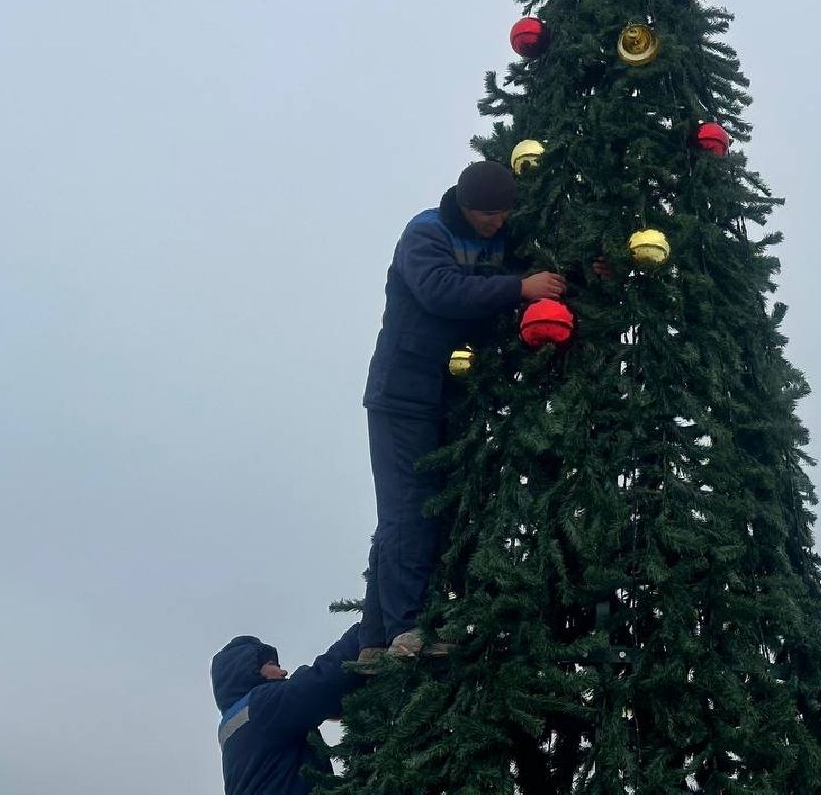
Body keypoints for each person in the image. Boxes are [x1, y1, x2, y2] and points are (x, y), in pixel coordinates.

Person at [359, 160, 566, 660]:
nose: (497, 224)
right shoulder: (425, 233)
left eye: (503, 213)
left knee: (433, 506)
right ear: (465, 206)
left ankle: (374, 639)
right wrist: (520, 288)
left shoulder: (502, 234)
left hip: (450, 393)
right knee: (408, 507)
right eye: (487, 215)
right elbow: (441, 292)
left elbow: (544, 267)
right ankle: (404, 631)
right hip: (403, 395)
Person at [210, 624, 363, 795]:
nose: (283, 671)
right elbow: (325, 681)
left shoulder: (235, 722)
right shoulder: (261, 706)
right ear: (250, 671)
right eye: (271, 664)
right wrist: (366, 628)